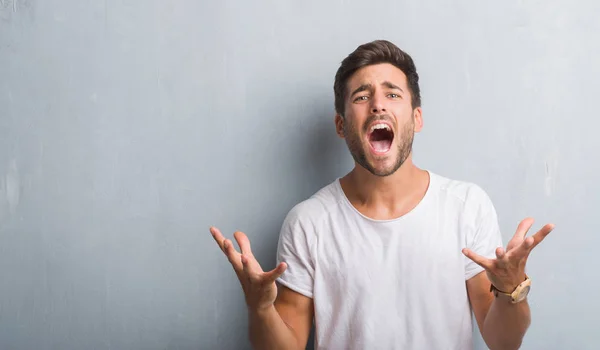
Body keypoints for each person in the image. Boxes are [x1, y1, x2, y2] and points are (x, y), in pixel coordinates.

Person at [210, 40, 554, 350]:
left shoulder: (467, 207)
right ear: (341, 125)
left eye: (392, 94)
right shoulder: (308, 222)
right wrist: (259, 309)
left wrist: (512, 291)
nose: (377, 105)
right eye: (361, 96)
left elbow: (503, 341)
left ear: (416, 118)